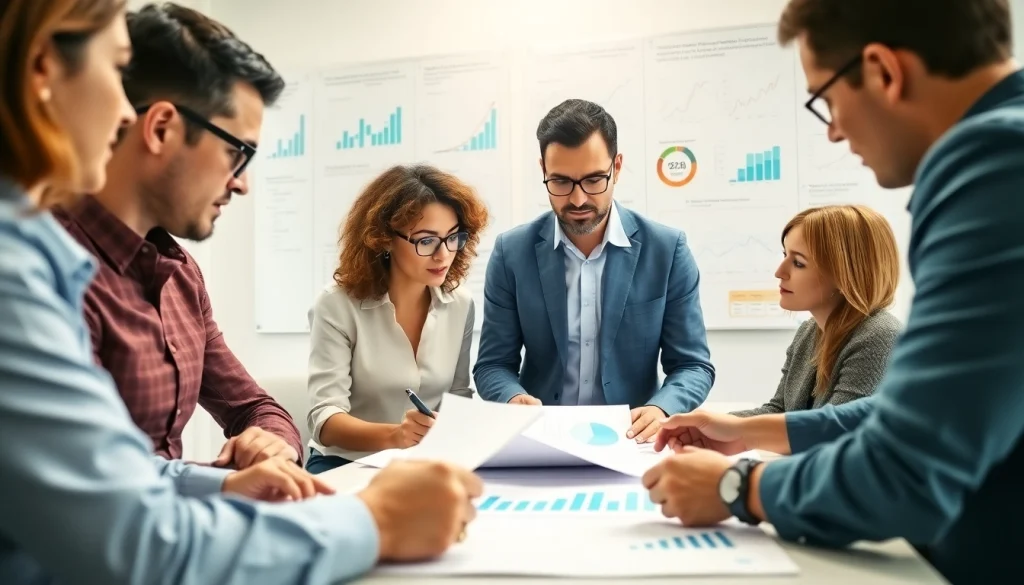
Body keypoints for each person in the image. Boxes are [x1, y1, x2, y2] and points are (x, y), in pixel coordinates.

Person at [0, 1, 480, 583]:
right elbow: (132, 538)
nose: (122, 110)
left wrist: (228, 477)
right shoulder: (27, 267)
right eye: (237, 152)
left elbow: (136, 471)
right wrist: (371, 520)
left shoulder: (173, 274)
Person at [641, 1, 1024, 582]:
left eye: (826, 98)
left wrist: (738, 485)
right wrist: (746, 431)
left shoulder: (994, 164)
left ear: (884, 71)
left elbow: (907, 470)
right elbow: (897, 416)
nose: (836, 129)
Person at [52, 2, 302, 468]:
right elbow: (101, 492)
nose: (242, 182)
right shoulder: (53, 270)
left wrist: (274, 444)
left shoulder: (179, 274)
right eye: (236, 152)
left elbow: (254, 407)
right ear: (162, 128)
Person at [473, 99, 715, 443]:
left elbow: (693, 366)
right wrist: (512, 398)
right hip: (540, 439)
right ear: (542, 169)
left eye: (593, 180)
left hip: (632, 440)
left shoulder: (667, 250)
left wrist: (662, 408)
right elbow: (492, 365)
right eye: (560, 182)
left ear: (617, 166)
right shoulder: (511, 253)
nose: (578, 199)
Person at [305, 164, 489, 474]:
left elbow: (457, 395)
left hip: (424, 465)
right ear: (385, 239)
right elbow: (324, 419)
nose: (443, 255)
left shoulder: (460, 304)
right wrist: (396, 435)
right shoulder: (336, 305)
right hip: (345, 463)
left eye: (453, 237)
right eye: (426, 240)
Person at [731, 204, 901, 417]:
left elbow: (836, 429)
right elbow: (779, 411)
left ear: (845, 274)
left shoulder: (880, 336)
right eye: (785, 255)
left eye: (798, 263)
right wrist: (701, 427)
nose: (779, 272)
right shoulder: (809, 331)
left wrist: (731, 431)